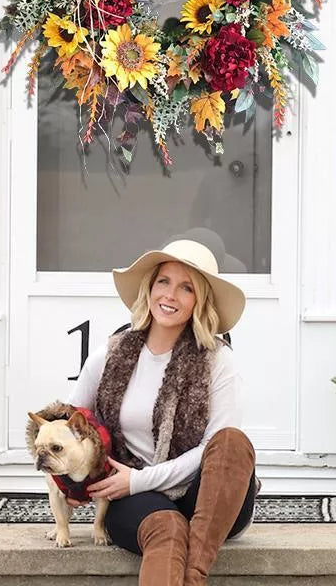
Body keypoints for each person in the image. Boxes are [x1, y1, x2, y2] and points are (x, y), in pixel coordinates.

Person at [66, 239, 258, 585]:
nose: (170, 295)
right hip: (137, 498)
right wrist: (71, 479)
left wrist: (138, 480)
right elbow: (68, 425)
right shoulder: (112, 354)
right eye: (164, 282)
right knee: (167, 528)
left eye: (186, 288)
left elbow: (212, 449)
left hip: (207, 497)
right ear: (150, 287)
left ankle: (193, 574)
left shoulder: (218, 360)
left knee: (232, 442)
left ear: (199, 301)